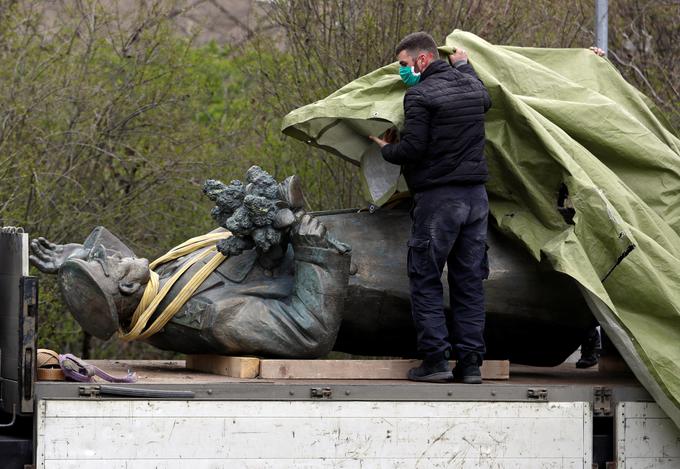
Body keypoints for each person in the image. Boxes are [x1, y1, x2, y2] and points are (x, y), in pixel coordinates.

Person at [369, 32, 492, 383]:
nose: (403, 72)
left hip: (439, 200)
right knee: (469, 281)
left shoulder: (419, 95)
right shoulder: (471, 87)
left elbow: (413, 150)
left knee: (425, 277)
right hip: (476, 199)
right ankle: (470, 365)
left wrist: (385, 148)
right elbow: (484, 99)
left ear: (423, 60)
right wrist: (465, 66)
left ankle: (436, 361)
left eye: (404, 65)